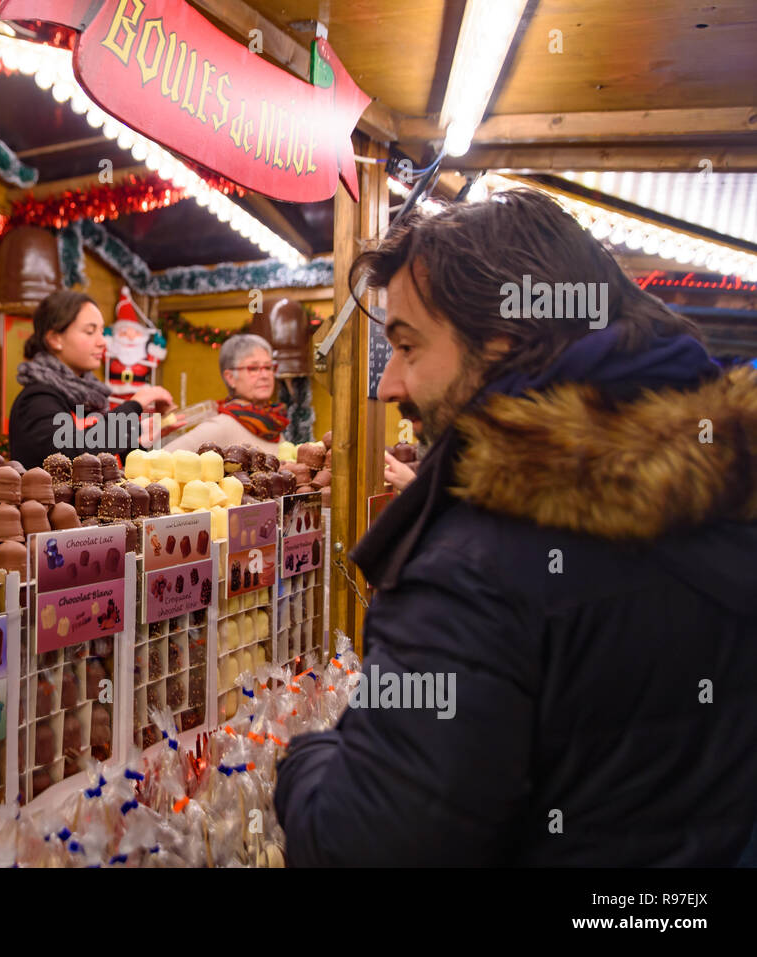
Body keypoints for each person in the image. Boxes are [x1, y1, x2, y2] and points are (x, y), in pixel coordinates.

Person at [273, 188, 757, 866]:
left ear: (502, 339)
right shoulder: (729, 489)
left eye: (408, 346)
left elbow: (361, 845)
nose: (390, 386)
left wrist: (311, 754)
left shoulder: (475, 567)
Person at [9, 290, 172, 470]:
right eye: (90, 331)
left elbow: (107, 461)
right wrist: (135, 405)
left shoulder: (90, 396)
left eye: (102, 332)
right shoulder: (36, 400)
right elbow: (74, 456)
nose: (102, 342)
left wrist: (140, 440)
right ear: (55, 339)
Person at [162, 334, 286, 455]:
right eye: (253, 368)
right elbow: (160, 459)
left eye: (269, 367)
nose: (265, 375)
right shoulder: (221, 425)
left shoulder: (273, 423)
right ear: (230, 378)